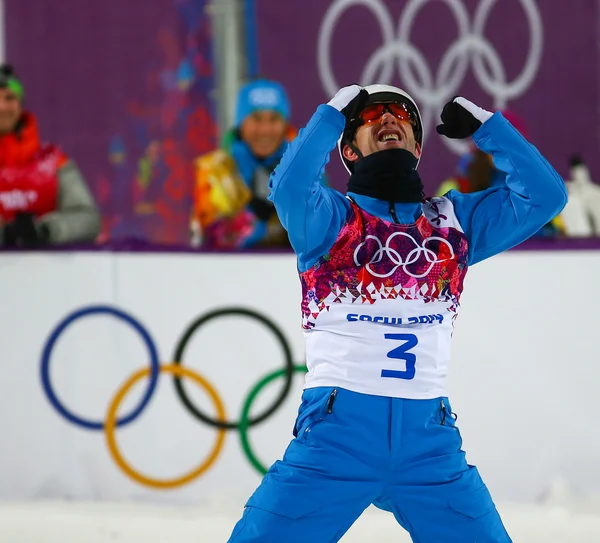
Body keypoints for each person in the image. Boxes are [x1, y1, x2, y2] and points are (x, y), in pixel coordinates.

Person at [227, 84, 567, 542]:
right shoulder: (329, 220)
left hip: (430, 448)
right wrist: (329, 115)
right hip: (335, 441)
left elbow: (545, 198)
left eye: (402, 114)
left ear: (417, 145)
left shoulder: (454, 223)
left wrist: (490, 130)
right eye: (371, 116)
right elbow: (288, 187)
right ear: (348, 149)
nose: (389, 119)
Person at [0, 64, 100, 247]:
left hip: (49, 273)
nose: (2, 106)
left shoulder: (54, 161)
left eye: (10, 98)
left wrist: (46, 231)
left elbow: (88, 219)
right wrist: (4, 234)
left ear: (20, 104)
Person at [190, 78, 297, 249]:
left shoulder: (304, 167)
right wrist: (259, 221)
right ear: (241, 124)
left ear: (285, 124)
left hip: (288, 272)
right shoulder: (215, 170)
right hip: (229, 273)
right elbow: (205, 241)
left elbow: (323, 235)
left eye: (274, 119)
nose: (265, 129)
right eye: (256, 118)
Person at [436, 111, 565, 238]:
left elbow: (558, 233)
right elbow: (438, 234)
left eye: (512, 146)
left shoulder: (542, 189)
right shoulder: (456, 186)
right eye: (497, 144)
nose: (502, 151)